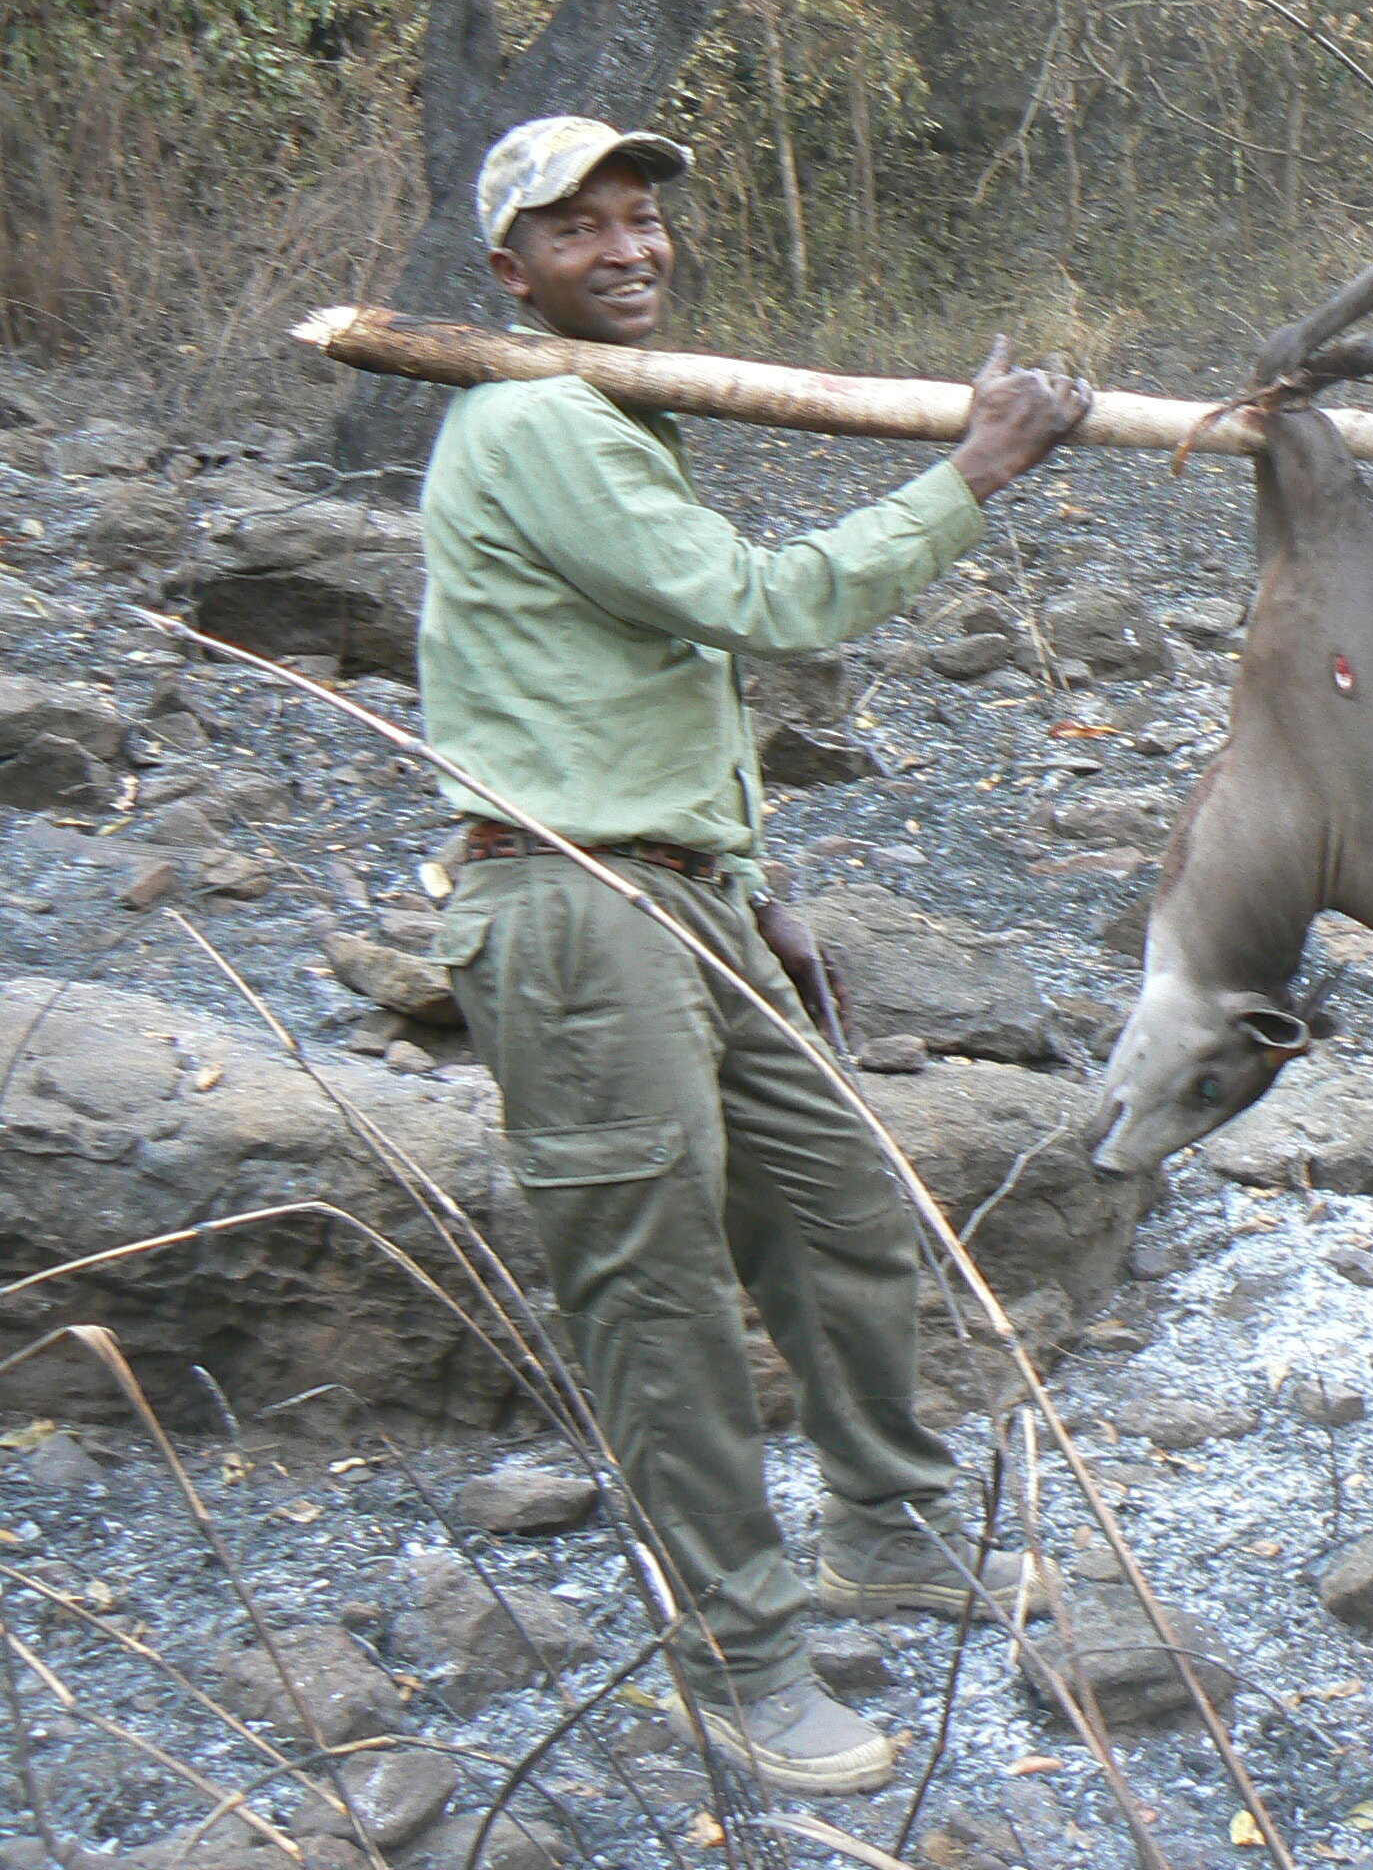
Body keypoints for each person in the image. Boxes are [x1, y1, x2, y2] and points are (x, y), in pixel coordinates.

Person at [419, 116, 1093, 1791]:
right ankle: (738, 1658)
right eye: (581, 232)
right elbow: (765, 604)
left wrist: (750, 873)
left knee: (836, 1212)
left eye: (643, 220)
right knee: (657, 1305)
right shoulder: (534, 419)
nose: (630, 249)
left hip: (682, 890)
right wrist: (971, 476)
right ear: (510, 273)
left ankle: (888, 1529)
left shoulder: (611, 421)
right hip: (572, 915)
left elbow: (639, 685)